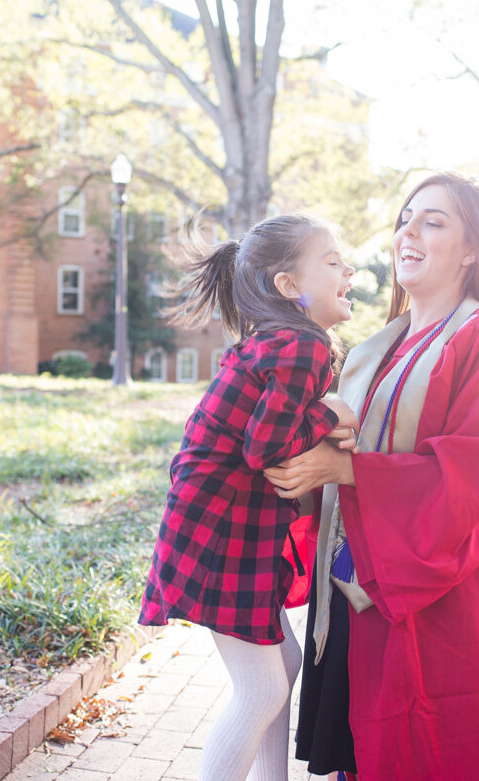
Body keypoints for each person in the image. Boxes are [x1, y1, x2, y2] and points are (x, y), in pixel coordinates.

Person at [264, 173, 479, 780]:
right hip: (351, 592)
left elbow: (478, 472)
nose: (409, 230)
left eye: (433, 221)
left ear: (475, 248)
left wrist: (345, 468)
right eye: (406, 217)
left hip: (430, 601)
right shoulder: (378, 348)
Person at [138, 213, 360, 781]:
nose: (349, 270)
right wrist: (330, 414)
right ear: (290, 287)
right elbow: (267, 445)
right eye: (332, 262)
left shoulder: (282, 339)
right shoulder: (300, 344)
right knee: (261, 690)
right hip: (220, 535)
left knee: (280, 666)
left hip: (219, 526)